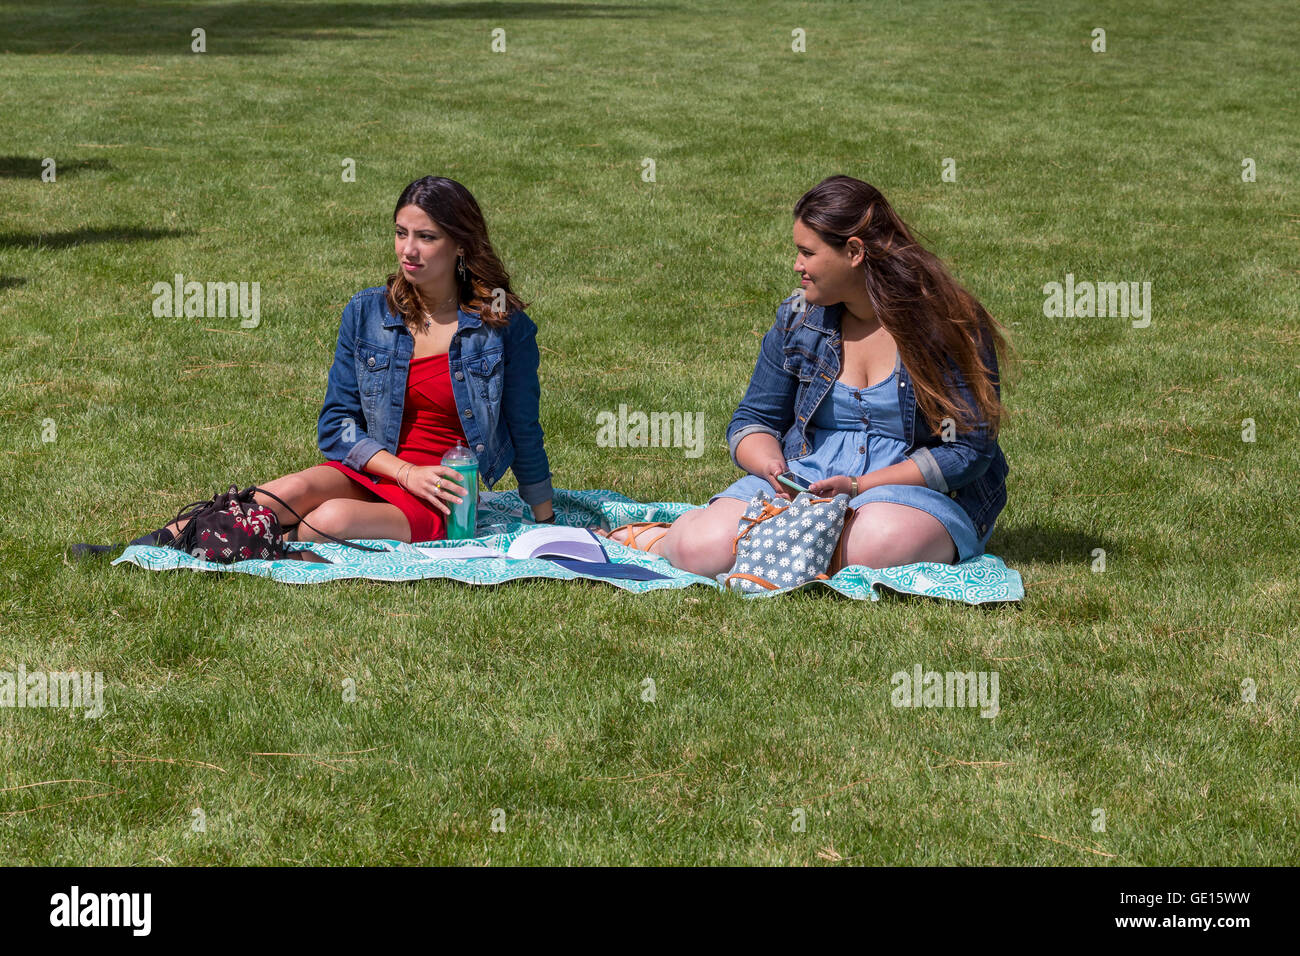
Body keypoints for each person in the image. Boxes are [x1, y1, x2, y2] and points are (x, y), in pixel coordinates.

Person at [115, 175, 554, 552]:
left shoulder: (504, 327)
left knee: (327, 522)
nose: (408, 250)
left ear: (461, 245)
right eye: (401, 233)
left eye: (426, 237)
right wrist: (402, 471)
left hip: (443, 493)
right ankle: (153, 548)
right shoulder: (367, 313)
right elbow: (336, 424)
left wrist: (546, 519)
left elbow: (524, 428)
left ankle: (247, 545)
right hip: (381, 465)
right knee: (287, 492)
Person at [604, 175, 1013, 577]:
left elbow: (966, 449)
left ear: (854, 251)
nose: (797, 265)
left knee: (879, 542)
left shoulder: (946, 322)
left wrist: (857, 486)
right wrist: (770, 466)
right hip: (806, 480)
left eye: (808, 253)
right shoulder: (798, 317)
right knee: (699, 548)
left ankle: (779, 550)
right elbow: (754, 420)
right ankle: (667, 538)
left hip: (910, 494)